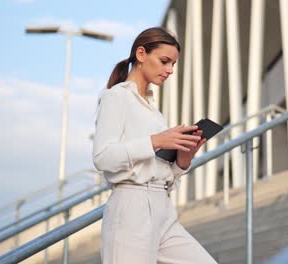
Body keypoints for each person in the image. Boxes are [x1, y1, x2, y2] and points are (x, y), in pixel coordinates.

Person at [93, 27, 217, 264]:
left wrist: (183, 160)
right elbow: (102, 157)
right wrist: (156, 141)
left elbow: (159, 167)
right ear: (141, 54)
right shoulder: (116, 97)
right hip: (131, 208)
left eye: (173, 64)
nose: (170, 70)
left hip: (163, 208)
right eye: (164, 61)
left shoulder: (153, 110)